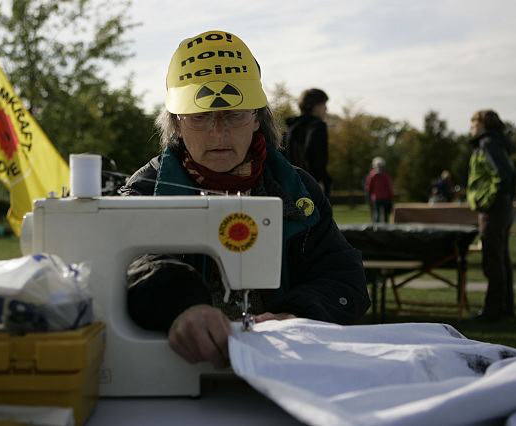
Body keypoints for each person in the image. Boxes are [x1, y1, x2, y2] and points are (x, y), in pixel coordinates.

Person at [120, 30, 370, 368]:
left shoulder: (299, 191)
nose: (218, 132)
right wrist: (181, 305)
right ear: (177, 124)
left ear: (257, 118)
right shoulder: (142, 193)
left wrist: (296, 314)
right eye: (200, 116)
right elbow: (132, 265)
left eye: (235, 114)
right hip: (178, 371)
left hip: (286, 367)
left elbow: (343, 277)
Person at [466, 110, 516, 321]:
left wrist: (486, 200)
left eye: (473, 123)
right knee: (501, 258)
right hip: (502, 207)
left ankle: (493, 312)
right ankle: (506, 309)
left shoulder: (488, 144)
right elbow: (514, 173)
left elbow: (504, 174)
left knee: (493, 260)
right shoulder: (496, 142)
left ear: (483, 124)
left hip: (494, 209)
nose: (471, 128)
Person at [282, 89, 332, 200]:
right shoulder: (317, 126)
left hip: (290, 186)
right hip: (311, 186)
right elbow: (312, 150)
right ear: (314, 106)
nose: (326, 109)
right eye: (323, 104)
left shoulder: (290, 129)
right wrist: (318, 179)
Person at [365, 157, 394, 222]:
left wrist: (368, 195)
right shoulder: (386, 176)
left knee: (376, 214)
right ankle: (386, 229)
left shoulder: (372, 175)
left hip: (375, 197)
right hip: (385, 197)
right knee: (385, 215)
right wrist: (391, 197)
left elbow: (369, 187)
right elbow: (389, 188)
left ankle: (376, 229)